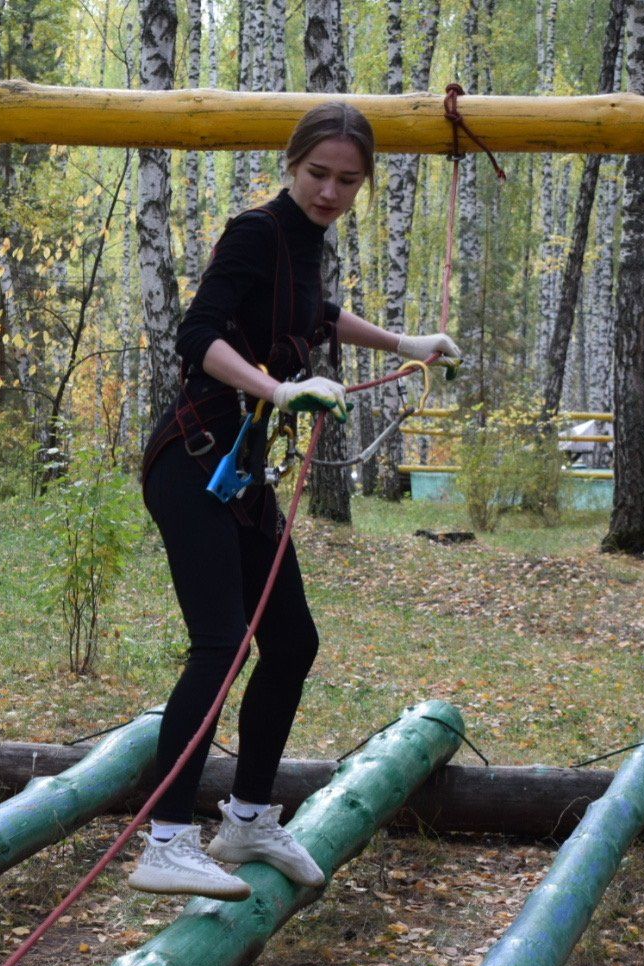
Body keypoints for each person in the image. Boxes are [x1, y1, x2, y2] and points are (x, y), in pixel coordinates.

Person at [130, 103, 460, 900]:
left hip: (239, 475)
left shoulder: (304, 245)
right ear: (292, 164)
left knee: (292, 641)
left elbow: (315, 315)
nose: (331, 192)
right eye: (319, 174)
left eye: (349, 180)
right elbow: (197, 335)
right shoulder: (255, 232)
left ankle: (245, 819)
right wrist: (280, 387)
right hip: (194, 460)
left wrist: (406, 344)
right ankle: (166, 840)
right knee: (221, 644)